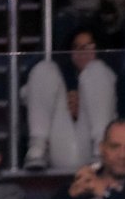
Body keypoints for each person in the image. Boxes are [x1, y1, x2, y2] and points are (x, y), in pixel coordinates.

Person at [22, 28, 118, 172]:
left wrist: (86, 108)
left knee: (96, 70)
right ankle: (37, 149)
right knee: (44, 68)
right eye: (76, 47)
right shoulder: (60, 77)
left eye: (88, 46)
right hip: (59, 148)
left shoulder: (112, 75)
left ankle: (101, 149)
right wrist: (70, 112)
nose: (82, 52)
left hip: (102, 149)